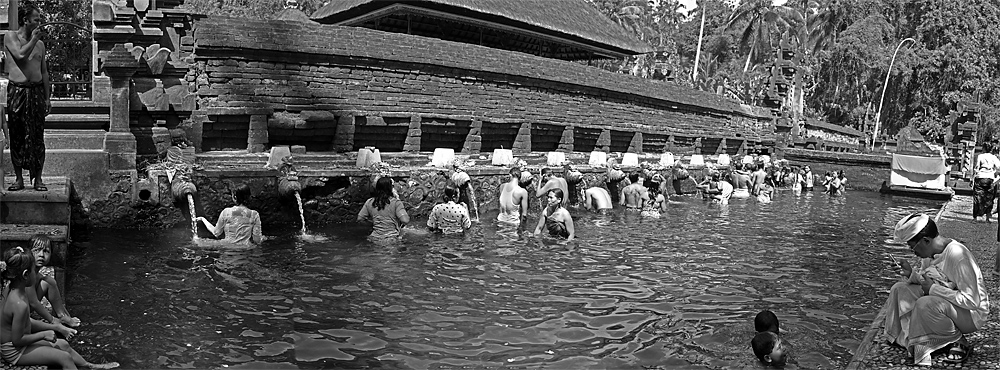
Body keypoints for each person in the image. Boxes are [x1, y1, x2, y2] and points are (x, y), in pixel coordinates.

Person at [882, 213, 989, 366]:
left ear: (926, 241)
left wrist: (933, 289)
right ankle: (913, 339)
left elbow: (972, 301)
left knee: (926, 303)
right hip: (948, 303)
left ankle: (958, 339)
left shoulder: (958, 256)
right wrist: (911, 274)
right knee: (899, 289)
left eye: (913, 247)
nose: (913, 252)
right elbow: (928, 282)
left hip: (972, 315)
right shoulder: (929, 255)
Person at [0, 247, 119, 369]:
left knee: (63, 345)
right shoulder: (20, 304)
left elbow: (24, 322)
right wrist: (43, 334)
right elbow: (17, 340)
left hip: (18, 344)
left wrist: (55, 326)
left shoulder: (12, 289)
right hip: (14, 351)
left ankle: (90, 366)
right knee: (64, 357)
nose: (37, 275)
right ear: (25, 275)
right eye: (33, 271)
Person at [4, 4, 50, 192]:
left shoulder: (40, 44)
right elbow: (21, 55)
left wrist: (47, 98)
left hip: (37, 91)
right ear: (26, 20)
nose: (39, 23)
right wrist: (34, 39)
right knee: (17, 135)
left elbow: (44, 72)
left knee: (37, 135)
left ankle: (38, 179)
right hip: (18, 91)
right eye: (36, 19)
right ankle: (18, 178)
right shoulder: (10, 36)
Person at [28, 235, 80, 328]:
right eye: (36, 250)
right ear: (29, 252)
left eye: (46, 251)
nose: (41, 255)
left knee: (49, 281)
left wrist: (65, 314)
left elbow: (55, 297)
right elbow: (33, 302)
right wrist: (52, 320)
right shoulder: (27, 273)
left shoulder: (37, 274)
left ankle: (62, 315)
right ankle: (60, 318)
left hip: (26, 309)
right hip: (18, 313)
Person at [196, 184, 264, 246]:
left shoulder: (226, 212)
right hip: (245, 250)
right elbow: (257, 240)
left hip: (227, 248)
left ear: (235, 197)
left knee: (197, 242)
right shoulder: (254, 215)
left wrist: (203, 219)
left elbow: (216, 233)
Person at [357, 177, 410, 242]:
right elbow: (405, 220)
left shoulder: (369, 202)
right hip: (391, 239)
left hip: (374, 238)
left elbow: (360, 219)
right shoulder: (396, 203)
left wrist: (373, 224)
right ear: (390, 188)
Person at [973, 142, 999, 222]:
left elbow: (977, 167)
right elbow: (998, 167)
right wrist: (995, 173)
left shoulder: (980, 156)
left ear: (984, 148)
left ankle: (975, 218)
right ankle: (987, 218)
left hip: (980, 177)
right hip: (990, 178)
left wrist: (972, 178)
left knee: (977, 198)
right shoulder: (994, 157)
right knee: (989, 198)